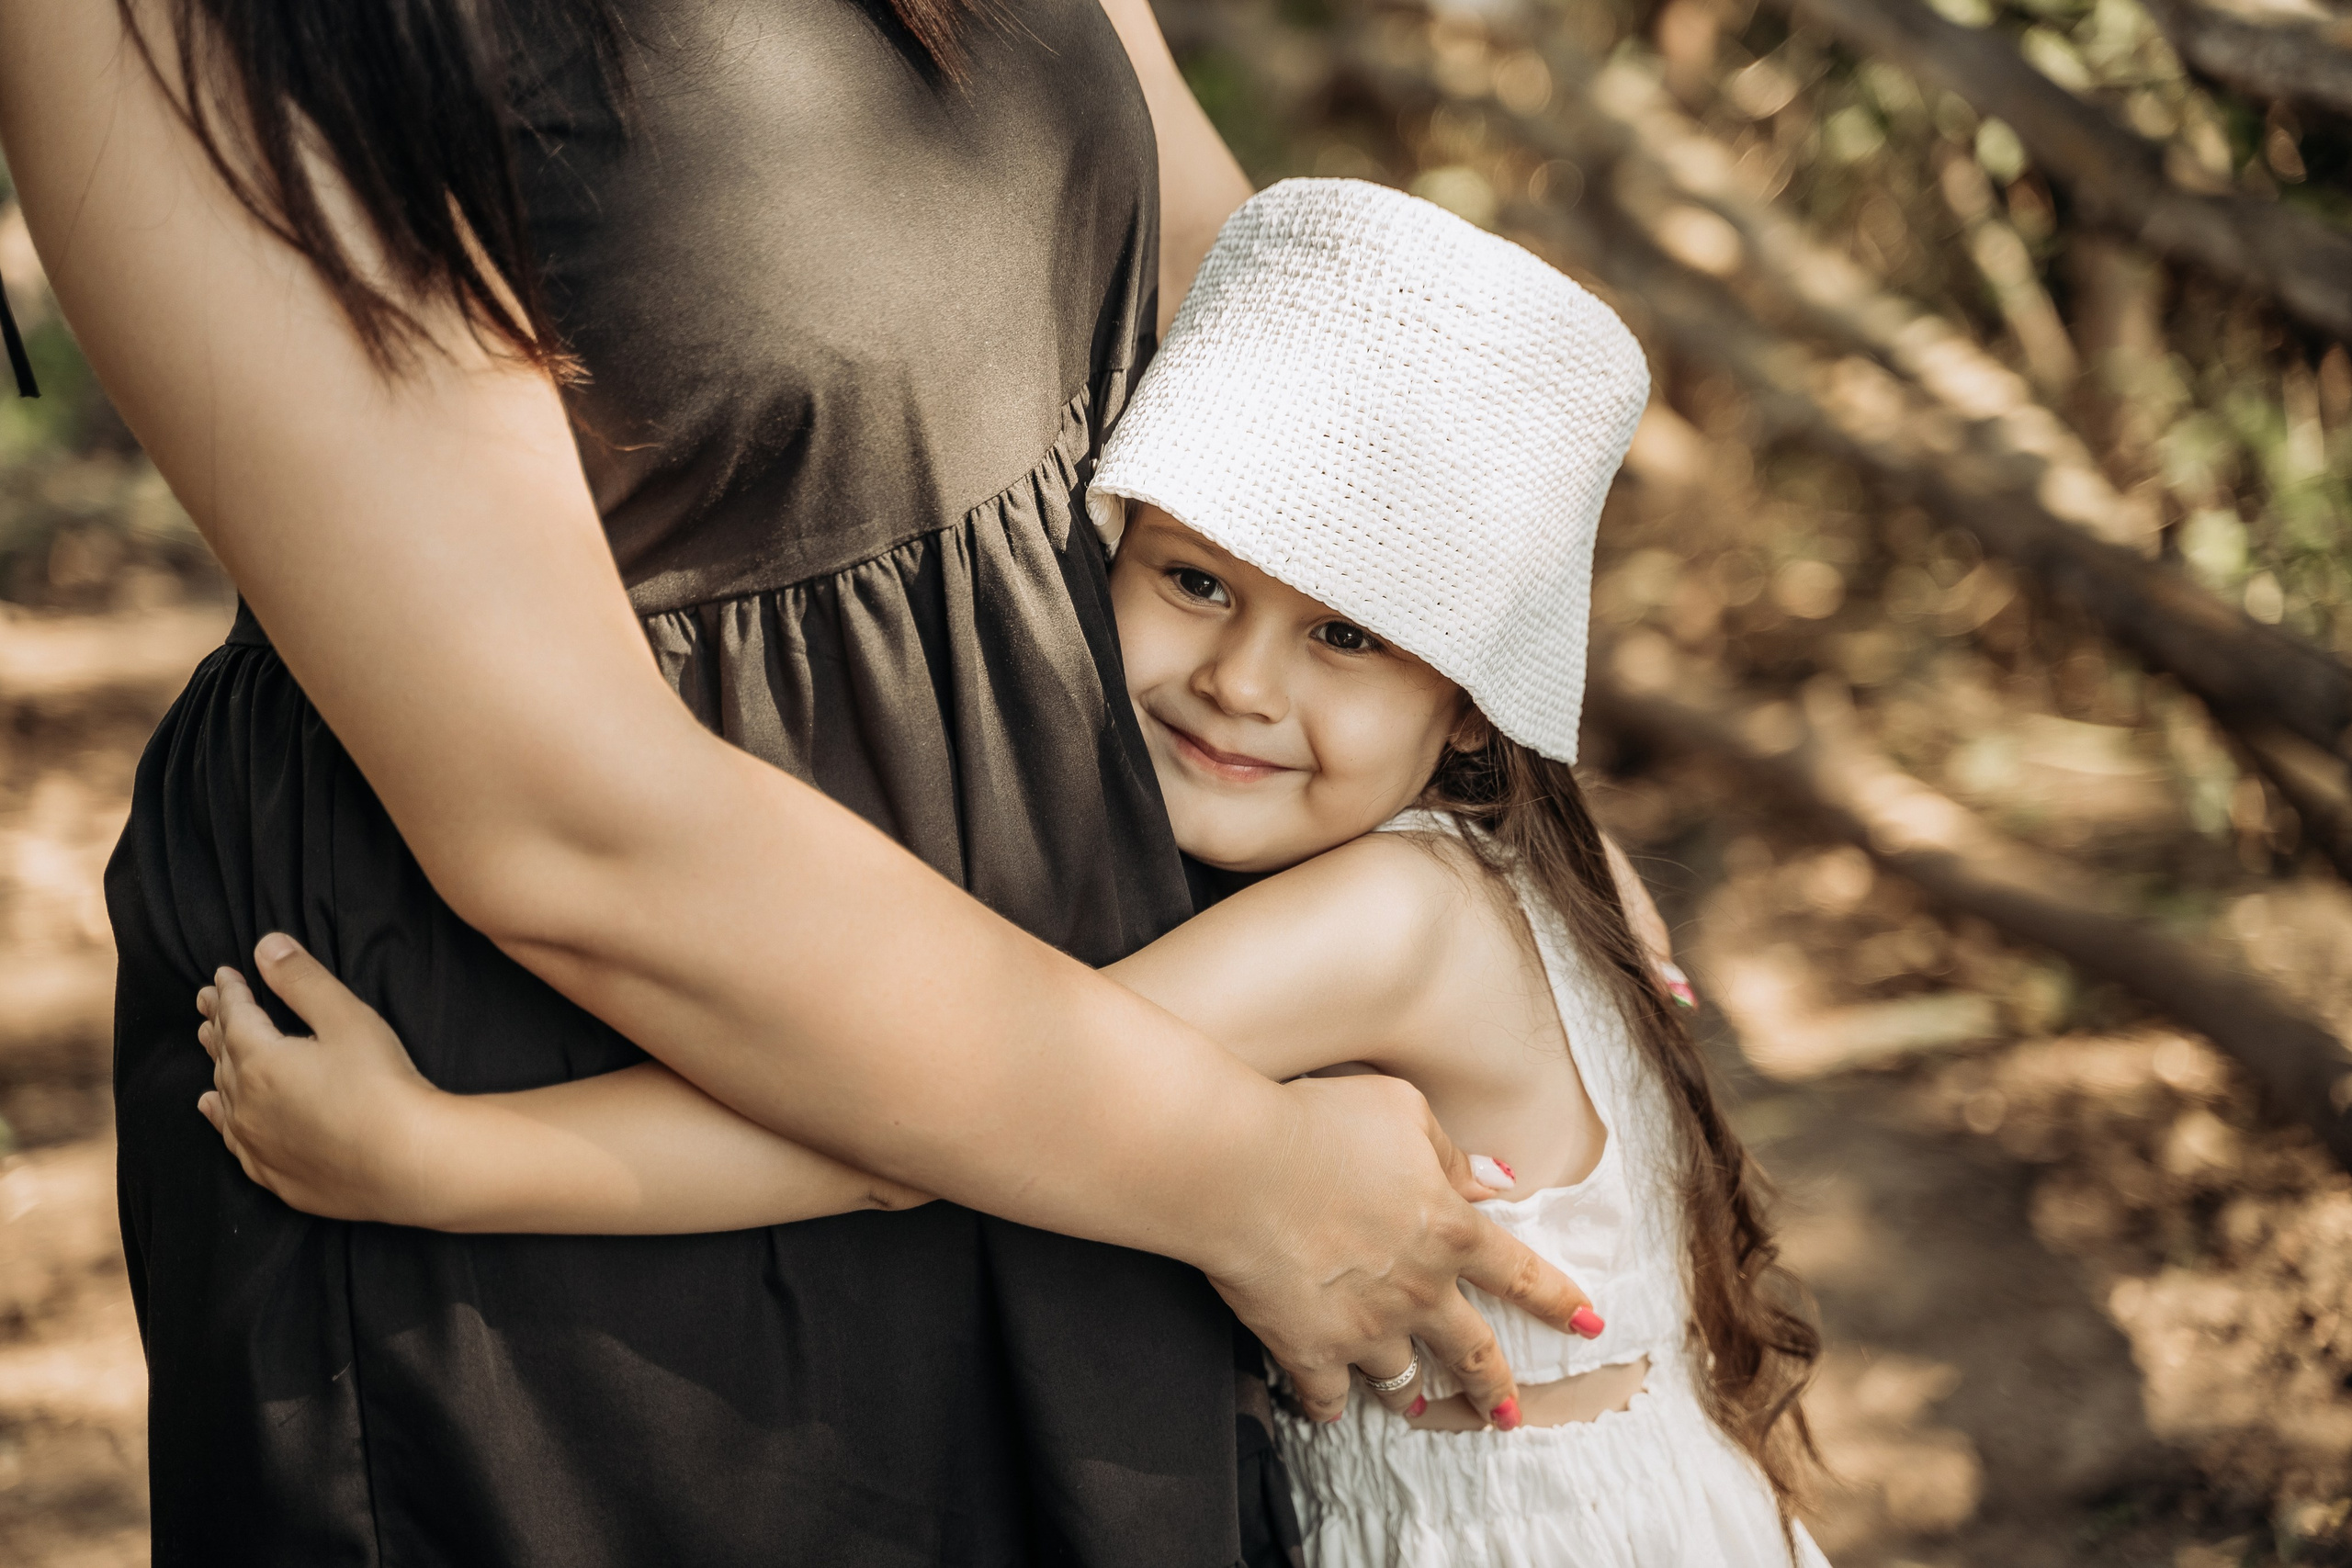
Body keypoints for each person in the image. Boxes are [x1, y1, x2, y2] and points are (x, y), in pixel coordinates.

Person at [0, 6, 1609, 1565]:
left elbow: (1211, 260)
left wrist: (1524, 838)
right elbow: (559, 815)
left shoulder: (1375, 900)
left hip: (1096, 1073)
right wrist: (1238, 1170)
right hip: (593, 1152)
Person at [196, 179, 1826, 1566]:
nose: (1242, 682)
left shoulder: (1394, 918)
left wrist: (444, 1161)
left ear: (1468, 706)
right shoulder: (1512, 874)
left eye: (1345, 635)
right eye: (1194, 582)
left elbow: (920, 1121)